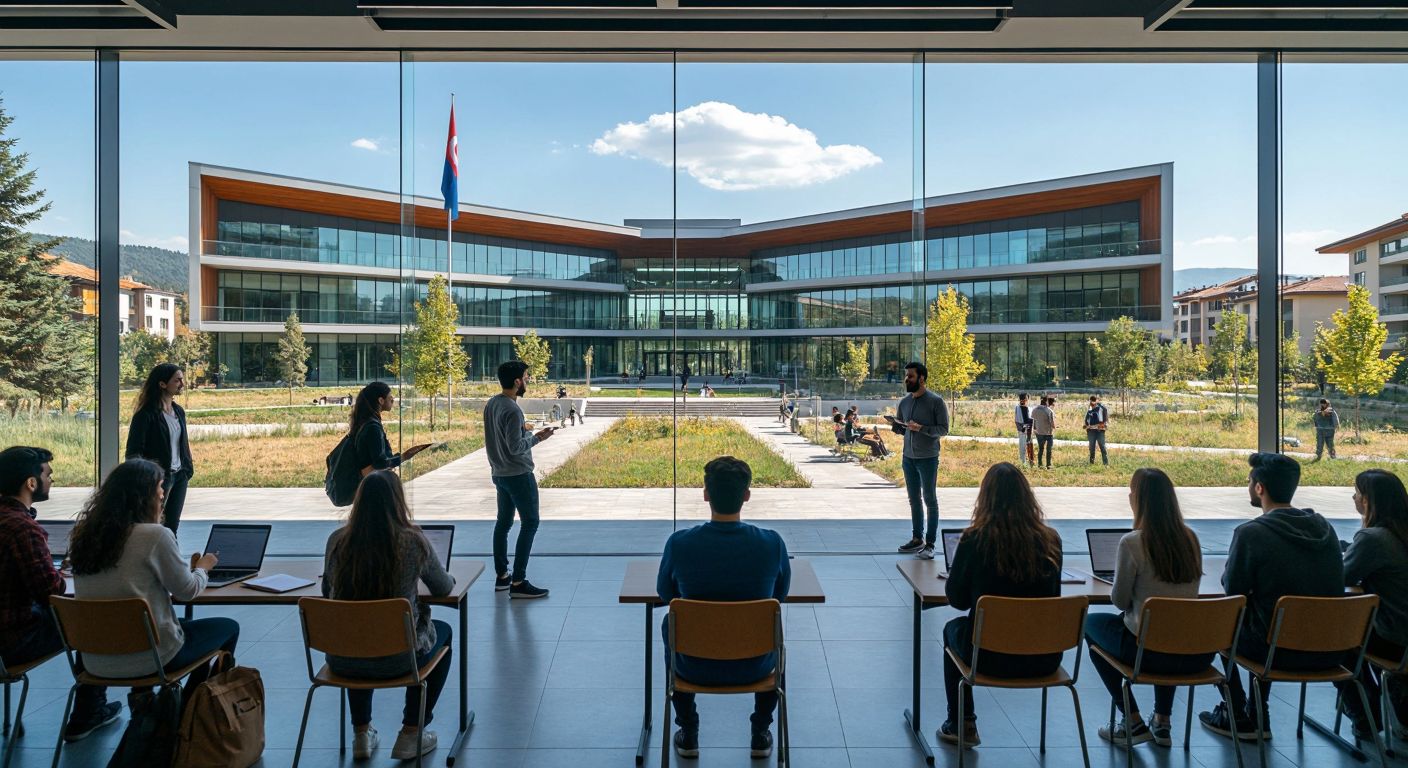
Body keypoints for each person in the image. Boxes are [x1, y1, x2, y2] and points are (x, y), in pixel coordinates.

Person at [1198, 453, 1345, 740]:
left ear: (1259, 488)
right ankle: (1255, 710)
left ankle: (1238, 711)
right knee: (1266, 619)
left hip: (1274, 651)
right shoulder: (1325, 529)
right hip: (1332, 648)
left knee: (1220, 626)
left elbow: (1233, 590)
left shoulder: (1251, 534)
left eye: (1250, 481)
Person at [69, 459, 239, 699]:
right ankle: (188, 714)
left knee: (154, 626)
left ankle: (132, 709)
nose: (163, 493)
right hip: (152, 659)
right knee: (227, 628)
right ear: (144, 496)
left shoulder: (86, 535)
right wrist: (203, 568)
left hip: (94, 660)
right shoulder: (155, 536)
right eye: (160, 488)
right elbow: (186, 591)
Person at [657, 456, 790, 759]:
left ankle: (688, 731)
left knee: (671, 622)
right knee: (774, 627)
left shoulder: (679, 543)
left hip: (691, 666)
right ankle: (760, 731)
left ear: (705, 493)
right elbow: (780, 595)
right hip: (756, 665)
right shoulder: (772, 544)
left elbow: (666, 594)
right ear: (747, 495)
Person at [322, 471, 455, 760]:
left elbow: (326, 591)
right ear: (398, 502)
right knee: (444, 634)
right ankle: (411, 731)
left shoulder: (336, 541)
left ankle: (361, 732)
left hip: (342, 660)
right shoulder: (413, 541)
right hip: (399, 658)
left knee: (357, 631)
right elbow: (443, 588)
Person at [0, 446, 121, 742]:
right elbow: (50, 592)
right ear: (31, 483)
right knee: (90, 623)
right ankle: (88, 714)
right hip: (13, 640)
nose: (51, 480)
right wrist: (58, 574)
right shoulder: (23, 528)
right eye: (48, 474)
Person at [940, 463, 1063, 749]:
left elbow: (957, 602)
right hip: (1044, 658)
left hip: (988, 658)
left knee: (951, 631)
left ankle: (963, 722)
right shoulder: (1051, 541)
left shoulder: (973, 540)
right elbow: (1052, 597)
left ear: (985, 498)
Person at [1085, 468, 1209, 748]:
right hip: (1193, 654)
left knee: (1091, 625)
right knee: (1170, 629)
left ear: (1137, 499)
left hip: (1146, 655)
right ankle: (1162, 721)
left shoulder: (1132, 542)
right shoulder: (1191, 539)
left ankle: (1131, 719)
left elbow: (1119, 601)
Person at [1337, 469, 1408, 738]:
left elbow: (1342, 577)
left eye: (1355, 492)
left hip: (1393, 640)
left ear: (1366, 500)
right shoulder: (1398, 535)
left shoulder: (1373, 539)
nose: (1353, 497)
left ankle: (1365, 711)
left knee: (1334, 638)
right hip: (1404, 642)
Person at [485, 361, 554, 599]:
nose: (528, 380)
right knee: (530, 523)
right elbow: (515, 448)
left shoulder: (493, 404)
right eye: (526, 377)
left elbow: (500, 439)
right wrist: (537, 438)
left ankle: (502, 576)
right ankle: (518, 581)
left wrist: (522, 430)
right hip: (519, 474)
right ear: (517, 381)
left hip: (499, 473)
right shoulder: (513, 410)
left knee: (503, 524)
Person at [125, 363, 194, 535]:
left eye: (182, 380)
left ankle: (171, 561)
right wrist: (144, 479)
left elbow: (182, 443)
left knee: (172, 527)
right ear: (162, 384)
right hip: (158, 479)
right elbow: (133, 451)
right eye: (177, 380)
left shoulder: (178, 411)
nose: (182, 384)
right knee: (154, 526)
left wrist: (187, 469)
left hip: (179, 476)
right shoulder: (145, 415)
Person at [893, 362, 949, 560]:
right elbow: (902, 428)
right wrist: (897, 426)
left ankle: (930, 543)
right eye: (906, 376)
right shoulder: (904, 402)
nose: (906, 379)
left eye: (910, 376)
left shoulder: (936, 401)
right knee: (913, 499)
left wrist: (922, 428)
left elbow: (943, 429)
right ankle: (917, 538)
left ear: (922, 378)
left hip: (928, 458)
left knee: (930, 500)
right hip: (908, 457)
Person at [348, 382, 432, 479]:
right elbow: (380, 463)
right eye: (390, 396)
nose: (393, 399)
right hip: (372, 485)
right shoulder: (372, 427)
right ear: (381, 400)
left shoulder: (365, 422)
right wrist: (404, 456)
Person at [1033, 396, 1056, 468]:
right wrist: (1055, 427)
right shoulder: (1049, 411)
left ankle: (1040, 464)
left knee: (1041, 449)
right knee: (1049, 449)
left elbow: (1034, 421)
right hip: (1048, 433)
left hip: (1038, 432)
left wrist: (1035, 429)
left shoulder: (1034, 410)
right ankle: (1048, 465)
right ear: (1046, 402)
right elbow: (1052, 423)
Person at [1086, 395, 1109, 466]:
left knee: (1102, 446)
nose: (1091, 403)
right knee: (1092, 448)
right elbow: (1087, 419)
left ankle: (1105, 463)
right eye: (1091, 401)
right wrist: (1087, 426)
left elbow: (1103, 421)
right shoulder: (1090, 409)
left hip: (1099, 431)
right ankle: (1091, 463)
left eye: (1092, 401)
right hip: (1091, 431)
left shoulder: (1101, 408)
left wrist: (1102, 425)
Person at [1014, 393, 1034, 468]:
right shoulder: (1017, 408)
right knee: (1022, 447)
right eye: (1022, 399)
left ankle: (1031, 462)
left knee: (1030, 446)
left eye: (1025, 399)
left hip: (1029, 431)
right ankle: (1023, 463)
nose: (1024, 400)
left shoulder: (1029, 408)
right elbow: (1017, 420)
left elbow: (1031, 419)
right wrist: (1023, 428)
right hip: (1022, 431)